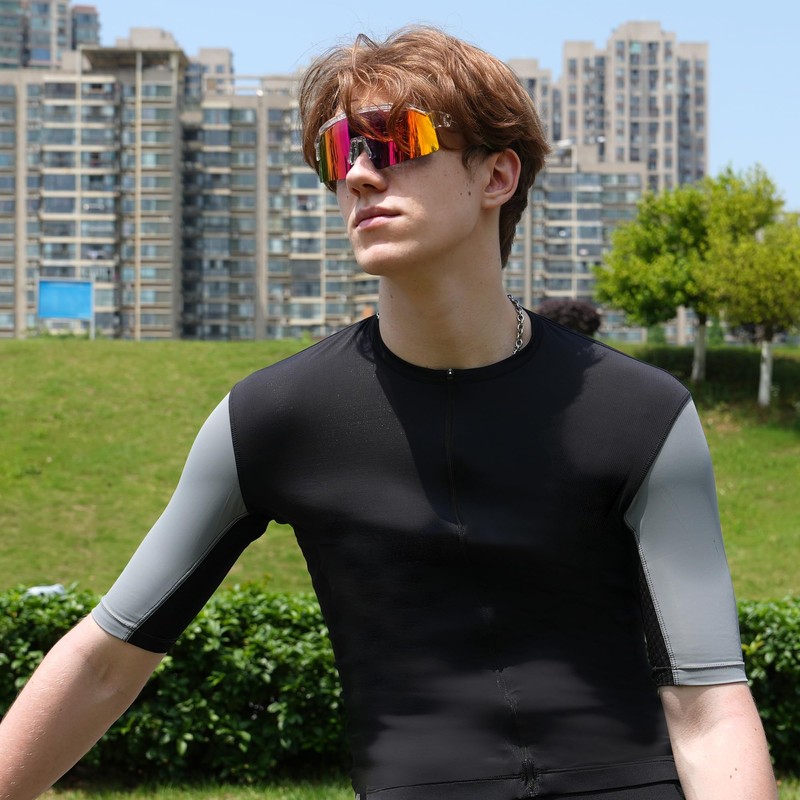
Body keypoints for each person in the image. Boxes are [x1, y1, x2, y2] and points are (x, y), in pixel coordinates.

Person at [0, 26, 777, 800]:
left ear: (497, 174)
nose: (360, 175)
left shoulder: (642, 415)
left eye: (395, 141)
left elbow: (709, 708)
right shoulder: (272, 419)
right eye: (341, 152)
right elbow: (103, 664)